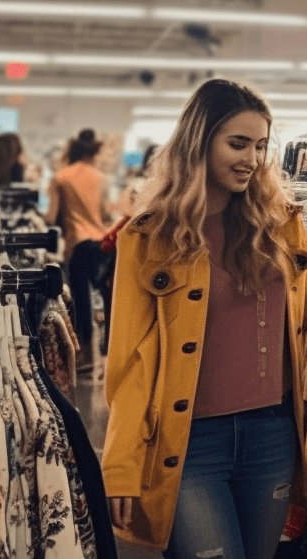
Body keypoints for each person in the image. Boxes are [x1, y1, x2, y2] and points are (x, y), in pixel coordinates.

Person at [103, 78, 307, 558]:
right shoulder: (149, 238)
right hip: (191, 442)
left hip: (273, 437)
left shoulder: (283, 228)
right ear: (199, 142)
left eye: (260, 146)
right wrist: (120, 467)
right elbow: (130, 361)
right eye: (237, 144)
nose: (252, 160)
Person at [46, 128, 111, 365]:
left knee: (81, 298)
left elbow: (51, 217)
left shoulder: (61, 177)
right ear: (91, 154)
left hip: (77, 242)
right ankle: (109, 345)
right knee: (105, 292)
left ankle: (85, 351)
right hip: (101, 241)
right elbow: (104, 212)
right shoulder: (100, 177)